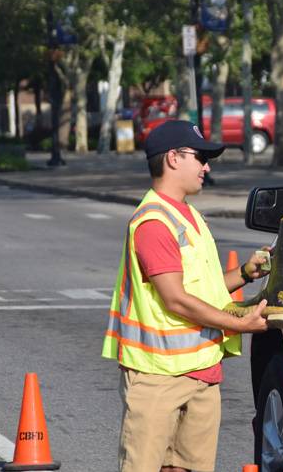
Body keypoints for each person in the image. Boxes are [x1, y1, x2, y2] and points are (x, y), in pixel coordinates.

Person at [101, 120, 270, 472]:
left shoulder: (189, 215)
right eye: (200, 157)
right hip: (158, 374)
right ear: (174, 159)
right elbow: (175, 299)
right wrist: (241, 323)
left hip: (202, 371)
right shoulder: (153, 223)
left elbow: (202, 289)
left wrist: (243, 273)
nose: (206, 167)